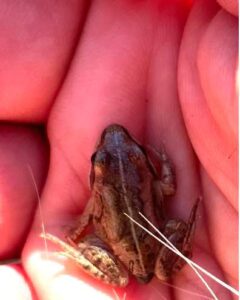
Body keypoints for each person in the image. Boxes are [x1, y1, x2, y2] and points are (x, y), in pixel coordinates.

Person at [0, 0, 238, 299]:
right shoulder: (150, 184)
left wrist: (70, 244)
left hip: (121, 257)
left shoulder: (95, 202)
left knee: (87, 247)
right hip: (152, 251)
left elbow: (75, 234)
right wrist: (162, 161)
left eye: (136, 155)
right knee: (176, 227)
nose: (116, 139)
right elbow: (168, 185)